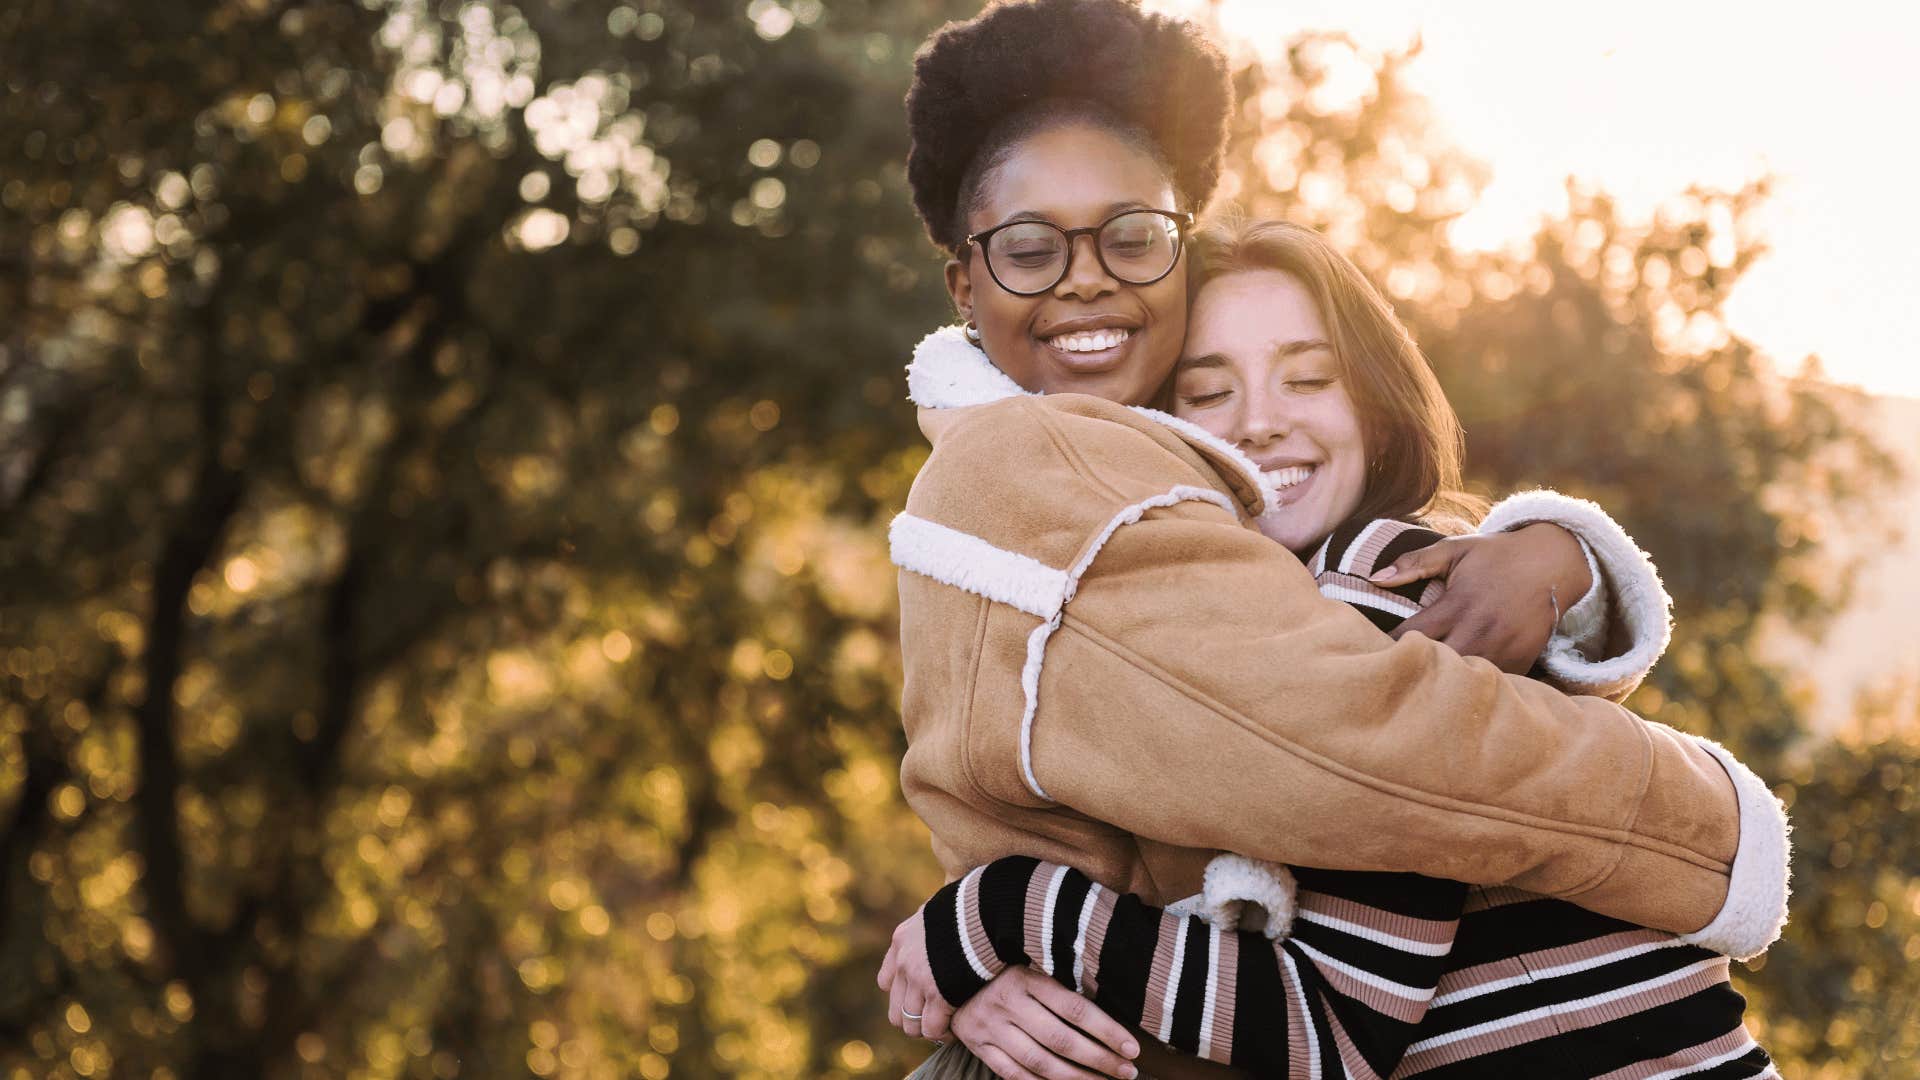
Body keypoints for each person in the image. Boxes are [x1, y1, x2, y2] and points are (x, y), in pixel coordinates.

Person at [882, 1, 1787, 1075]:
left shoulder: (1383, 593)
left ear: (1375, 397)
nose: (1262, 419)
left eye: (1309, 378)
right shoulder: (1082, 508)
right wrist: (982, 946)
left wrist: (991, 919)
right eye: (1211, 393)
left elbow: (1330, 1018)